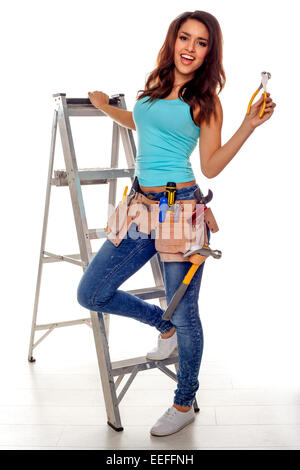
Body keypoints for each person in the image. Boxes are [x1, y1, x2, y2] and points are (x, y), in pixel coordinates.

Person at [78, 10, 276, 437]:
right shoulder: (153, 90)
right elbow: (141, 123)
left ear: (210, 52)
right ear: (173, 41)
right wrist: (106, 107)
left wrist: (249, 124)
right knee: (91, 291)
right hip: (139, 207)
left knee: (187, 315)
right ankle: (158, 322)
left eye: (201, 42)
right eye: (184, 38)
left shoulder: (205, 102)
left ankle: (183, 402)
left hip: (180, 211)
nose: (190, 48)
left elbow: (211, 164)